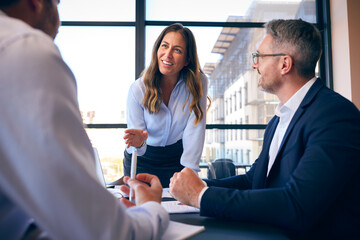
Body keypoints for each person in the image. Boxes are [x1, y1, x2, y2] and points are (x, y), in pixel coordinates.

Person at [169, 19, 360, 239]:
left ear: (285, 64)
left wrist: (201, 195)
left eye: (259, 56)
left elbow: (296, 205)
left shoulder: (335, 116)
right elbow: (253, 181)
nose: (254, 64)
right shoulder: (278, 119)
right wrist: (188, 187)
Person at [0, 0, 169, 239]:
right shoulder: (23, 48)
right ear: (36, 3)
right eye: (57, 3)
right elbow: (107, 234)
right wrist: (153, 208)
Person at [123, 23, 208, 187]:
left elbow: (195, 129)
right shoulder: (138, 89)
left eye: (177, 50)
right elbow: (137, 147)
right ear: (157, 50)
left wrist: (190, 171)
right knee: (141, 208)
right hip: (143, 158)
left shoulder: (198, 83)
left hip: (176, 158)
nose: (167, 55)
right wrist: (140, 142)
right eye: (164, 46)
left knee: (178, 208)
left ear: (187, 59)